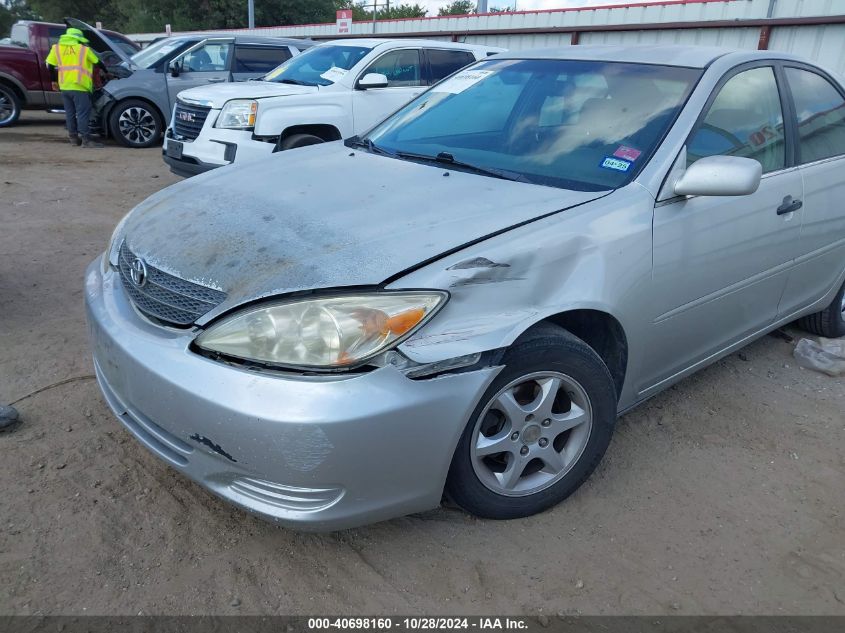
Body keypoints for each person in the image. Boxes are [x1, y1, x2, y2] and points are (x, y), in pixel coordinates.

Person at [45, 28, 104, 148]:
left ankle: (73, 139)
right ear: (79, 39)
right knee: (82, 113)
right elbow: (98, 62)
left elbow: (49, 65)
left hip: (65, 86)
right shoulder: (83, 50)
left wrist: (53, 81)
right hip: (80, 86)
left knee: (70, 113)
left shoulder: (56, 48)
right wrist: (107, 71)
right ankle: (86, 141)